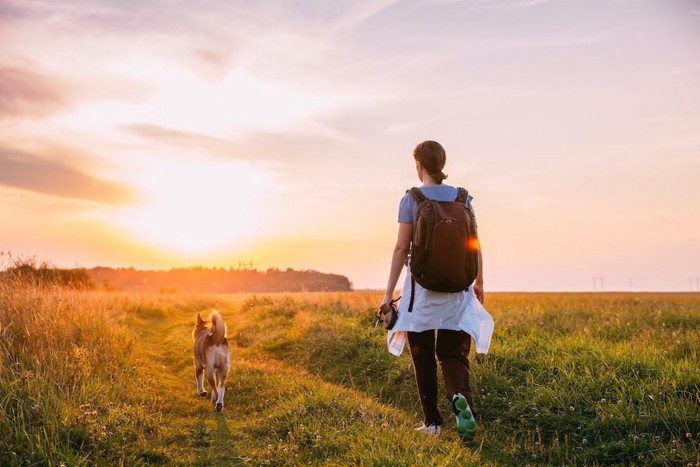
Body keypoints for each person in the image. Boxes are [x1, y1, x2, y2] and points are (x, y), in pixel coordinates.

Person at [381, 140, 485, 440]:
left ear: (420, 166)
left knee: (422, 353)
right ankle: (458, 397)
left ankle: (433, 422)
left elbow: (402, 249)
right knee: (453, 353)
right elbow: (474, 245)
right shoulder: (464, 198)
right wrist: (479, 282)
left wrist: (388, 294)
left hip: (421, 292)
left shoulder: (412, 198)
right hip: (458, 290)